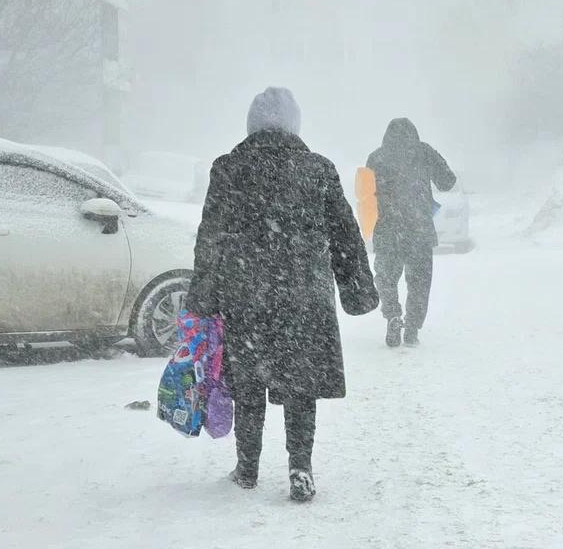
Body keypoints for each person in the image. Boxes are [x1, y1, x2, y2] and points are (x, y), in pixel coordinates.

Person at [186, 87, 379, 502]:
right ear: (295, 125)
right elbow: (345, 234)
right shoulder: (318, 169)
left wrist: (202, 296)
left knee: (249, 384)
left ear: (252, 124)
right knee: (300, 385)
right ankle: (300, 468)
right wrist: (357, 290)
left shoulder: (228, 168)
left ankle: (248, 468)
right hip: (303, 295)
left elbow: (211, 238)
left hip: (246, 293)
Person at [366, 118, 457, 347]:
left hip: (388, 229)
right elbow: (448, 181)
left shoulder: (376, 157)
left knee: (386, 279)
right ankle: (413, 328)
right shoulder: (423, 151)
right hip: (419, 230)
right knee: (419, 283)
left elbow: (366, 195)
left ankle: (393, 317)